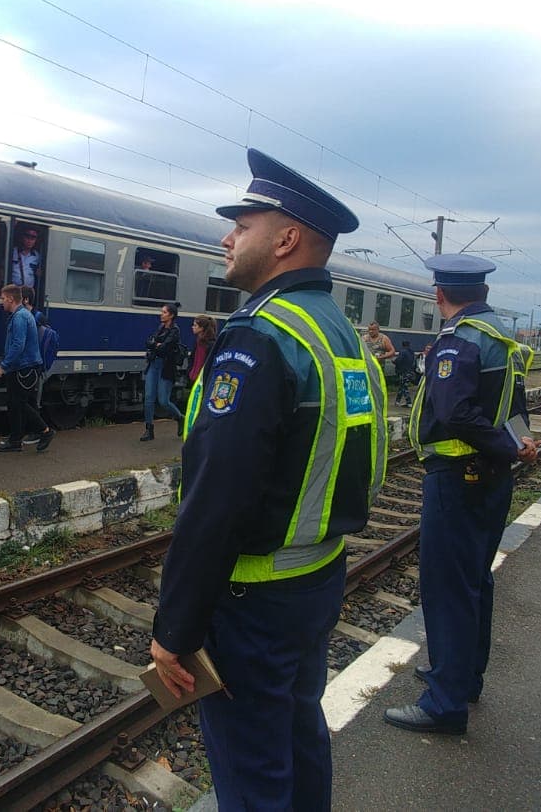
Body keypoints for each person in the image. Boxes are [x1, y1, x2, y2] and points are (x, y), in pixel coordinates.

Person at [149, 148, 386, 811]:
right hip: (317, 576)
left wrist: (176, 627)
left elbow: (218, 497)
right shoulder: (339, 333)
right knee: (299, 739)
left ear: (285, 240)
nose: (228, 238)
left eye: (242, 225)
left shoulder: (261, 336)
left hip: (252, 598)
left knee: (253, 774)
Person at [384, 253, 537, 736]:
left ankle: (443, 704)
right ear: (484, 292)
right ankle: (464, 677)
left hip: (457, 476)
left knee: (448, 587)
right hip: (490, 479)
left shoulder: (460, 339)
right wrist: (518, 442)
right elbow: (513, 404)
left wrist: (507, 447)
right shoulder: (501, 337)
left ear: (440, 294)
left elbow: (454, 414)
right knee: (474, 580)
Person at [0, 284, 53, 452]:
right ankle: (15, 440)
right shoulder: (22, 315)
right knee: (15, 404)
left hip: (23, 368)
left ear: (11, 299)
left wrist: (4, 366)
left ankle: (45, 431)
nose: (2, 302)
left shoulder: (20, 317)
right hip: (23, 367)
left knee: (19, 403)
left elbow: (18, 344)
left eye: (3, 299)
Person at [140, 303, 184, 441]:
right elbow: (148, 342)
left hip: (166, 367)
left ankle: (180, 418)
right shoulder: (160, 328)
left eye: (164, 312)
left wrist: (156, 345)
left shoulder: (175, 331)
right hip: (154, 364)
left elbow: (164, 348)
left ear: (171, 315)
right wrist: (156, 345)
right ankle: (149, 429)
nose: (161, 314)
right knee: (148, 397)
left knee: (163, 401)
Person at [187, 314, 217, 386]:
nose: (192, 327)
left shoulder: (210, 344)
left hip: (202, 380)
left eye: (195, 325)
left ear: (201, 328)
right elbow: (192, 359)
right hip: (194, 377)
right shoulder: (198, 342)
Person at [392, 339, 417, 405]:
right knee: (402, 386)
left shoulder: (403, 351)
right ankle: (397, 401)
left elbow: (399, 360)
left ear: (402, 345)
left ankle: (409, 402)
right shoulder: (412, 352)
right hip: (410, 371)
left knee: (404, 387)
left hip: (403, 372)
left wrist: (393, 361)